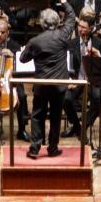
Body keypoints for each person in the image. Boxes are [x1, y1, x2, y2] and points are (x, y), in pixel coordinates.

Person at [18, 8, 74, 158]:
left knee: (37, 115)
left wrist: (29, 50)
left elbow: (23, 59)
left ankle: (35, 148)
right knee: (56, 116)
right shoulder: (63, 36)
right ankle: (53, 148)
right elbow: (72, 17)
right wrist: (63, 0)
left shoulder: (35, 41)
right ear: (57, 22)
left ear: (42, 23)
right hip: (58, 86)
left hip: (42, 85)